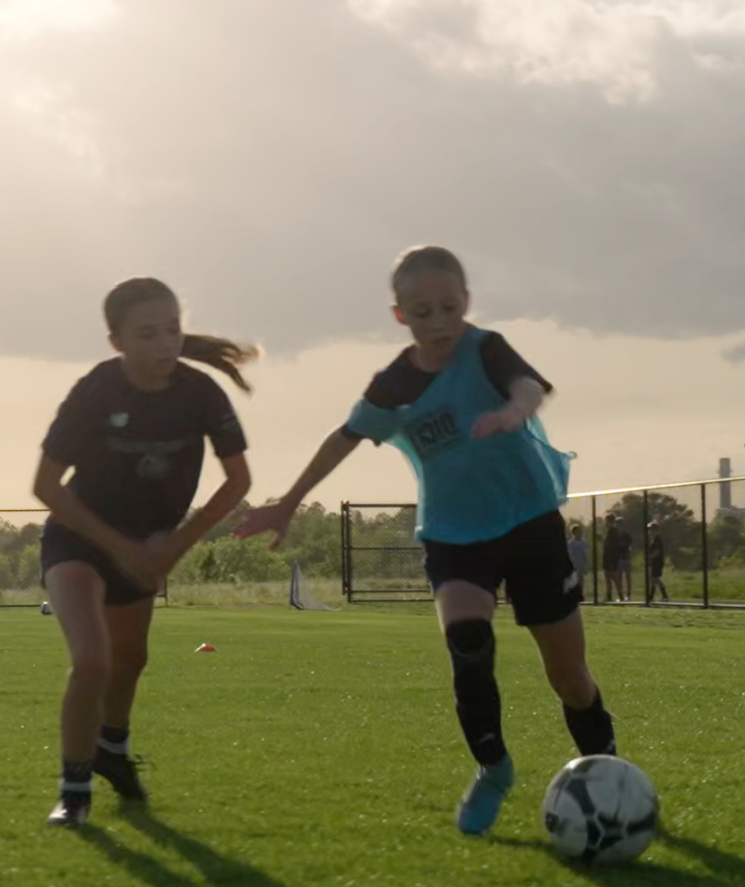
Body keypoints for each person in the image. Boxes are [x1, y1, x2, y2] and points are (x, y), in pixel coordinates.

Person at [236, 245, 616, 836]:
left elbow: (529, 387)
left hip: (531, 523)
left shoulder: (485, 348)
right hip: (454, 535)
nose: (438, 324)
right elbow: (344, 437)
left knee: (568, 676)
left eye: (449, 307)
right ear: (399, 316)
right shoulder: (395, 384)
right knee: (466, 638)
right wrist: (286, 502)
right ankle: (494, 768)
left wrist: (516, 411)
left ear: (467, 303)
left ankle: (606, 767)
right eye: (422, 312)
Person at [33, 276, 255, 827]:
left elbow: (238, 482)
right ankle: (75, 790)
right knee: (92, 660)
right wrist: (127, 548)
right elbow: (47, 487)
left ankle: (113, 748)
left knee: (131, 660)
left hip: (149, 549)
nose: (164, 345)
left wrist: (172, 548)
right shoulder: (95, 391)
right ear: (117, 342)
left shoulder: (201, 393)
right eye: (148, 334)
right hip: (79, 541)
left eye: (173, 330)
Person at [647, 519, 669, 602]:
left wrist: (650, 557)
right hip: (654, 562)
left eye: (651, 529)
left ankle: (665, 596)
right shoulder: (653, 540)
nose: (649, 531)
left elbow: (657, 551)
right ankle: (651, 596)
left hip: (657, 562)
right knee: (653, 579)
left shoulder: (657, 539)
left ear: (655, 530)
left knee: (656, 579)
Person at [567, 523, 590, 602]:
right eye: (577, 532)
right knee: (574, 581)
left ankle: (581, 595)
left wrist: (586, 564)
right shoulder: (571, 543)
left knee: (581, 580)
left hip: (581, 564)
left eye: (580, 532)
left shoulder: (583, 543)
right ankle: (574, 596)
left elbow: (586, 554)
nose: (579, 533)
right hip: (574, 564)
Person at [602, 512, 621, 602]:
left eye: (606, 521)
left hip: (611, 558)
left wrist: (610, 559)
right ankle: (609, 596)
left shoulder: (612, 531)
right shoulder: (611, 531)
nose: (605, 523)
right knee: (610, 578)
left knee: (612, 577)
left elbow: (611, 546)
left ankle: (619, 596)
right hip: (609, 558)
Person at [615, 516, 633, 602]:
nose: (619, 526)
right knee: (619, 577)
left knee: (628, 577)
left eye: (620, 524)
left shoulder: (626, 535)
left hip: (626, 558)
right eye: (617, 524)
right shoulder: (615, 536)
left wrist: (627, 550)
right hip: (619, 558)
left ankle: (628, 595)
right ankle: (621, 596)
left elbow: (630, 545)